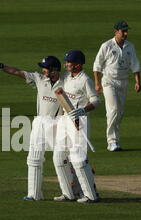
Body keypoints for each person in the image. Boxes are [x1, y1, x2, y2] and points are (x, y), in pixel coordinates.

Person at [0, 57, 82, 201]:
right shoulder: (39, 79)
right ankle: (34, 194)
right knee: (34, 158)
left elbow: (78, 85)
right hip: (39, 122)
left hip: (58, 123)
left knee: (62, 160)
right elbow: (17, 72)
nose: (43, 70)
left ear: (54, 70)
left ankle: (72, 192)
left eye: (45, 68)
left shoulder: (66, 82)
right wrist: (0, 66)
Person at [53, 50, 101, 203]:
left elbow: (96, 100)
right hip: (65, 120)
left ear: (78, 65)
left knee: (78, 160)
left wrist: (83, 109)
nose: (66, 64)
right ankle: (68, 193)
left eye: (69, 62)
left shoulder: (85, 80)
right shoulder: (66, 77)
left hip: (79, 121)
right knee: (59, 157)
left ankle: (90, 195)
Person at [93, 20, 141, 152]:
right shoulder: (106, 45)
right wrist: (97, 83)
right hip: (109, 81)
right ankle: (111, 141)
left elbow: (135, 65)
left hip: (123, 82)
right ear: (116, 32)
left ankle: (116, 141)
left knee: (119, 113)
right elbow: (97, 65)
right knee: (113, 110)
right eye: (123, 31)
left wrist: (138, 82)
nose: (125, 33)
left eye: (127, 31)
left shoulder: (130, 46)